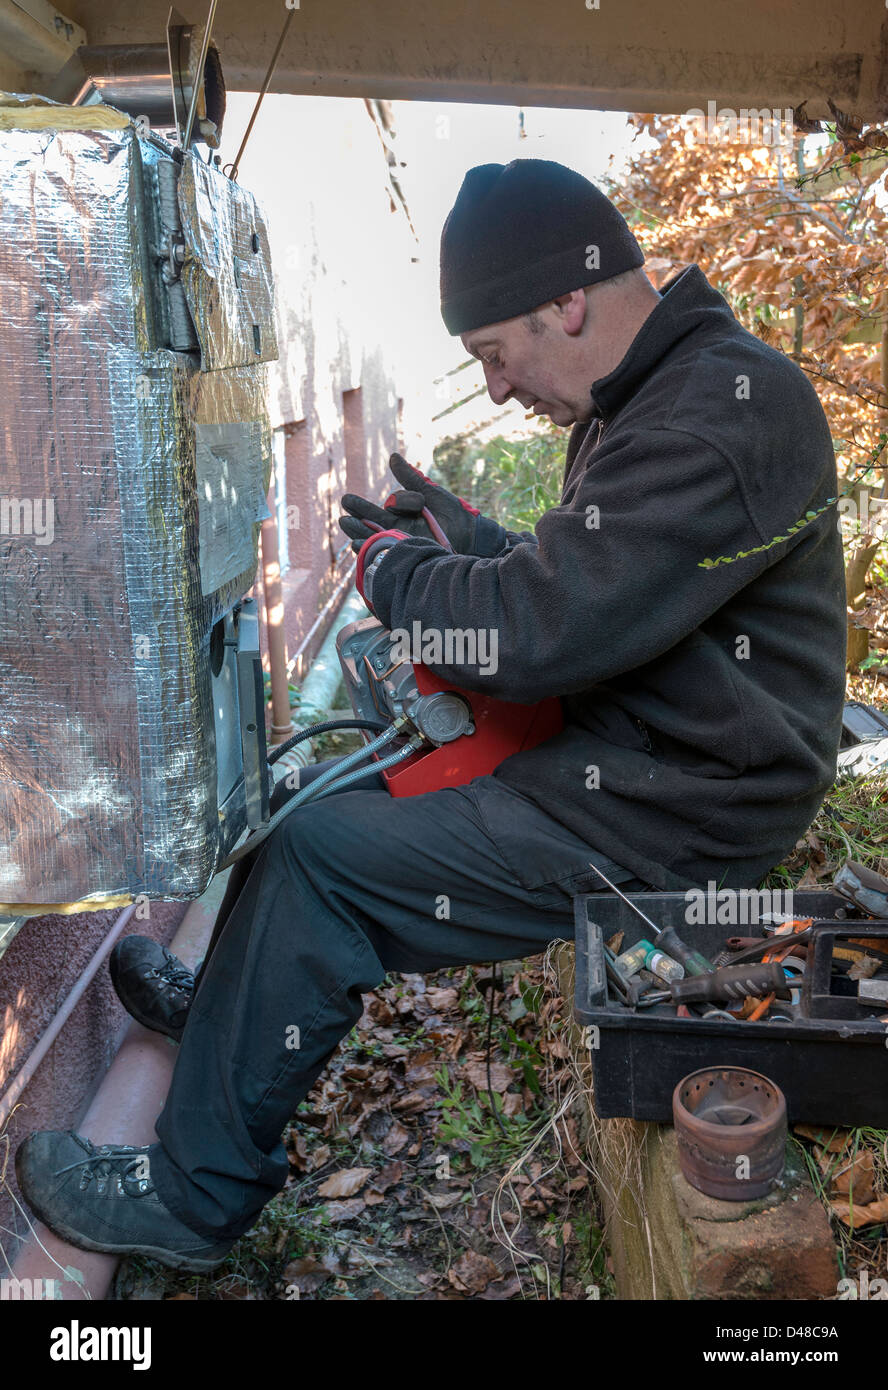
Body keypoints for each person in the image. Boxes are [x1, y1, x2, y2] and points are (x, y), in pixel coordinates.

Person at [16, 159, 847, 1270]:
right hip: (636, 761)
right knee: (325, 798)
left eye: (494, 357)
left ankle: (191, 1196)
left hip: (686, 815)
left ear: (567, 301)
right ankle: (224, 1004)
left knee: (327, 860)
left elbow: (536, 634)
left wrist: (394, 569)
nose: (498, 389)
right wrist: (468, 538)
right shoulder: (654, 396)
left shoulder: (719, 412)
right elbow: (611, 587)